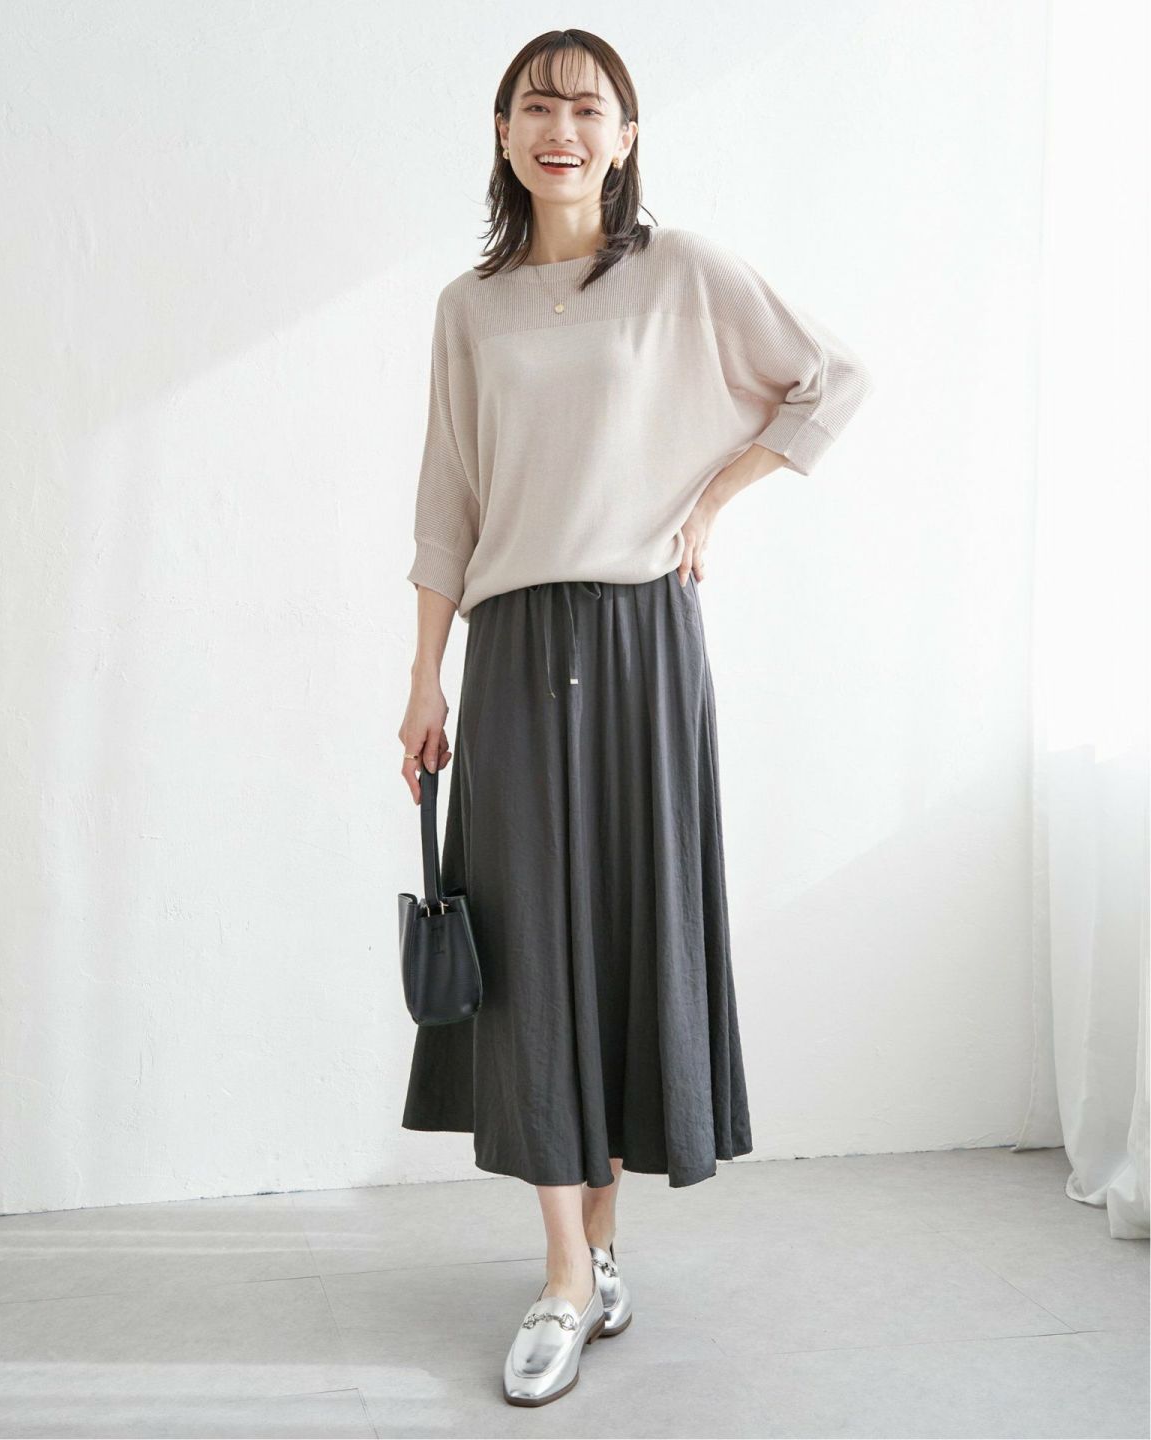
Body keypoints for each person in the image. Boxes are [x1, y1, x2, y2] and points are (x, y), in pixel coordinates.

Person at [396, 29, 874, 1407]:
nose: (562, 128)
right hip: (511, 645)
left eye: (587, 107)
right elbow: (447, 501)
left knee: (615, 938)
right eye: (536, 106)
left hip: (641, 639)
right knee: (529, 952)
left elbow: (831, 378)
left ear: (626, 136)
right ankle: (562, 1275)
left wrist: (713, 499)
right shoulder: (469, 309)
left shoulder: (681, 273)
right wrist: (424, 675)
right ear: (502, 133)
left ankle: (598, 1256)